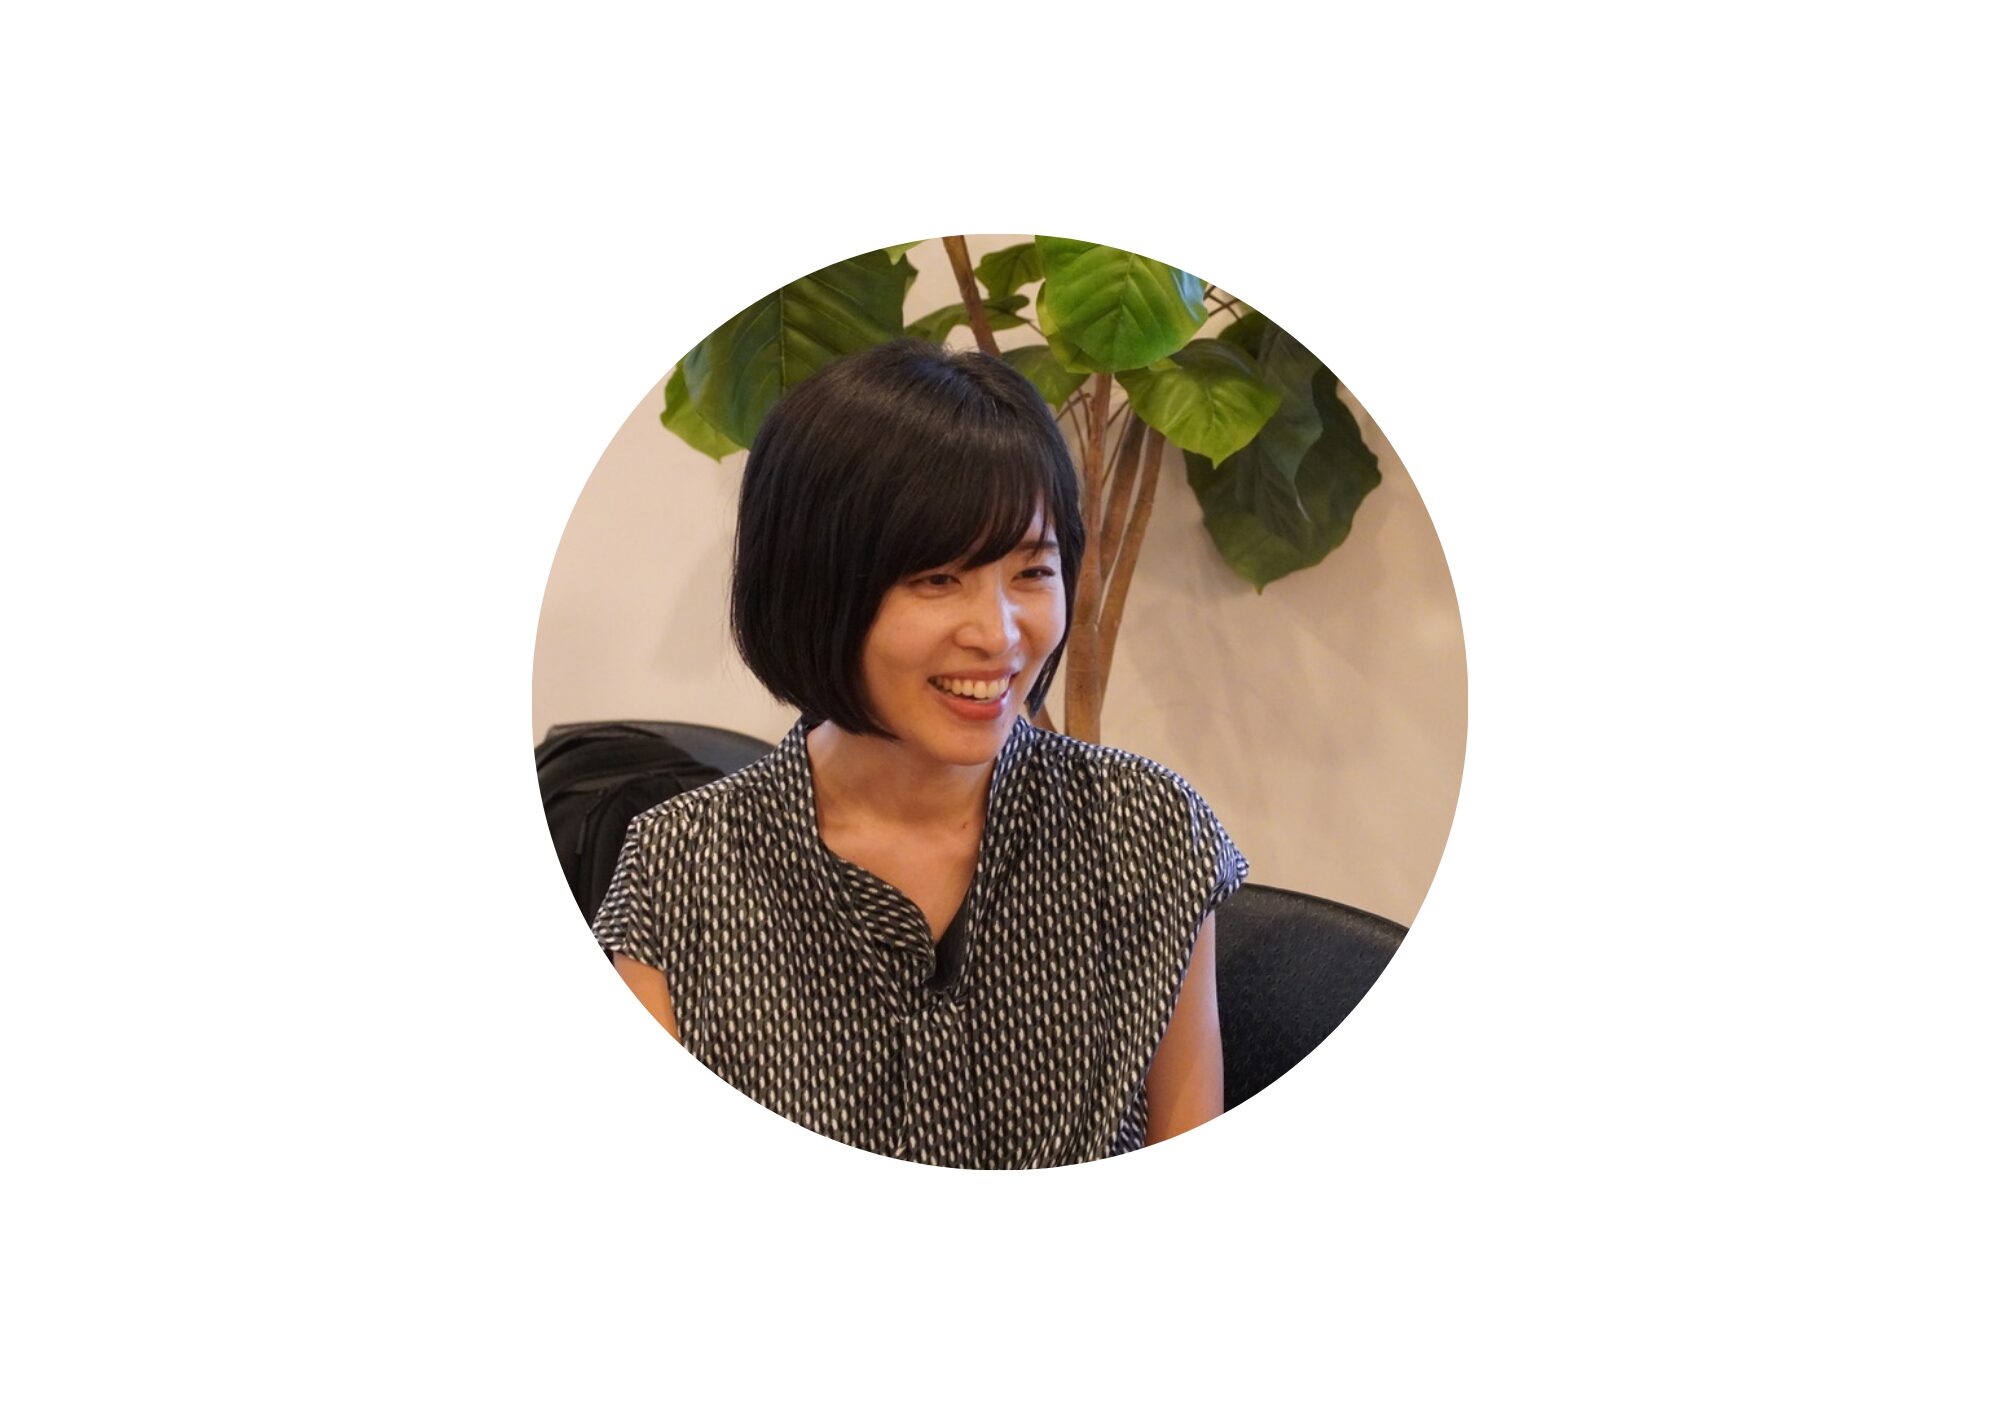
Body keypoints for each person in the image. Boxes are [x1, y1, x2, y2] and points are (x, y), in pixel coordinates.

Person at [592, 338, 1248, 1168]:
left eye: (1032, 573)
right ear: (815, 587)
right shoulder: (681, 868)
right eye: (939, 579)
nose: (998, 635)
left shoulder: (1148, 830)